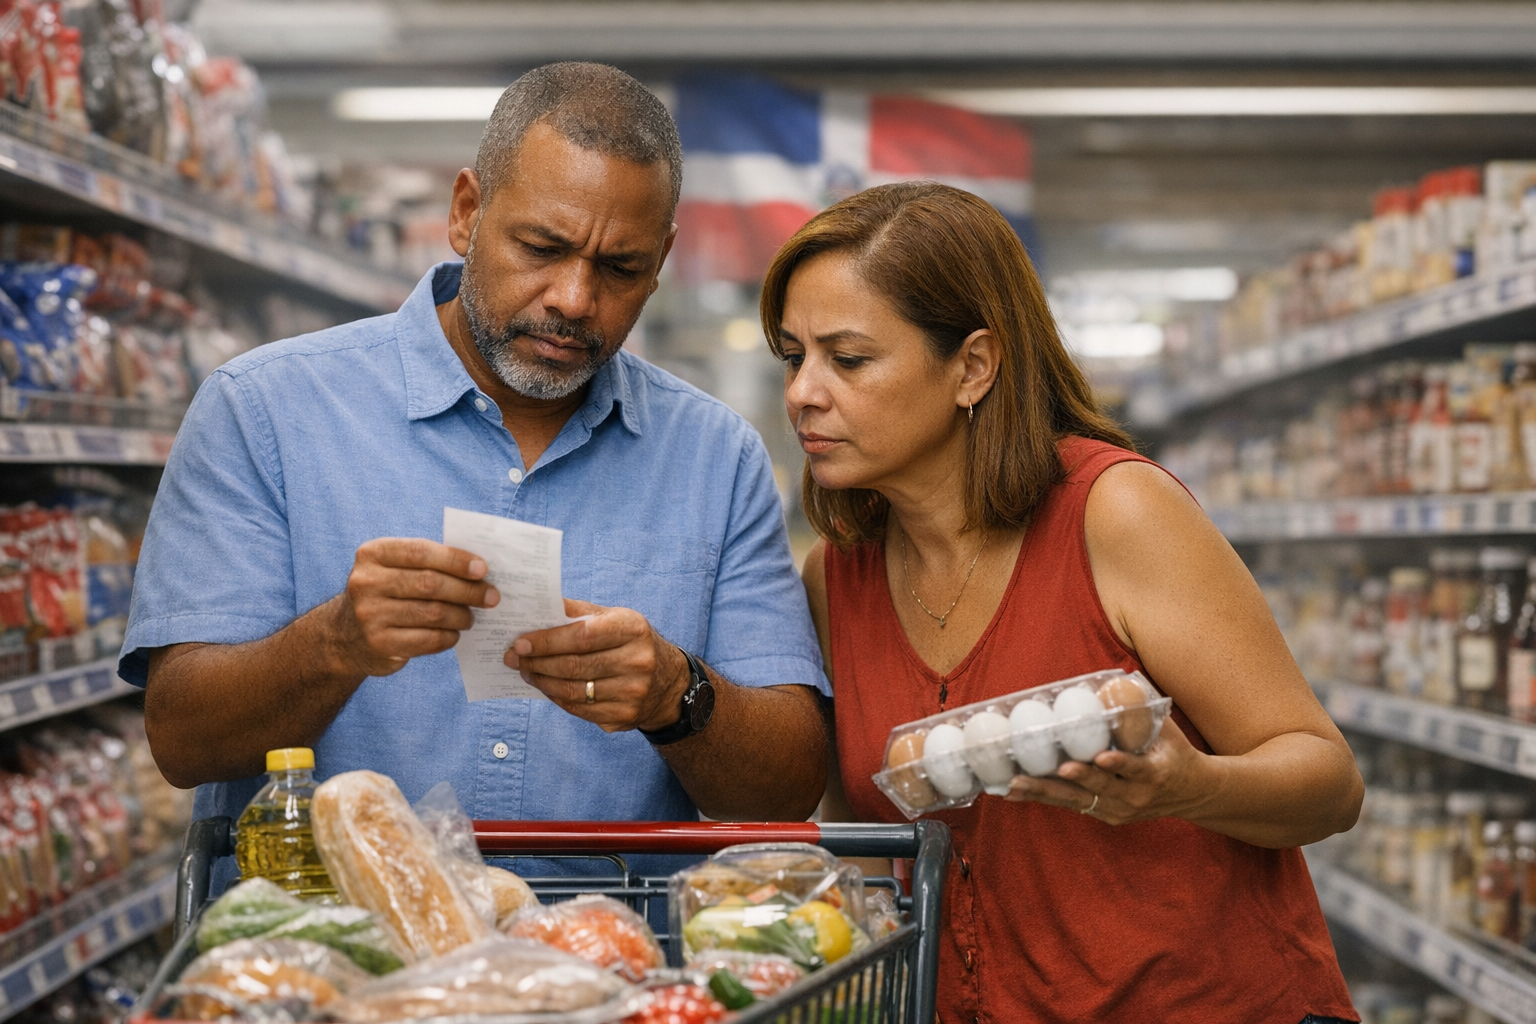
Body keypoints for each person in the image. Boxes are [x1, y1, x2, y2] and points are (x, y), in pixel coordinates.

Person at [119, 63, 829, 878]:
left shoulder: (716, 458)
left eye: (620, 268)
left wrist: (678, 695)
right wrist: (335, 642)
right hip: (333, 976)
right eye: (542, 246)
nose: (572, 296)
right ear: (466, 213)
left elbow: (788, 786)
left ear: (662, 262)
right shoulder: (264, 410)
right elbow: (182, 741)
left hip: (605, 976)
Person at [773, 182, 1363, 1023]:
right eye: (793, 357)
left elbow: (1329, 783)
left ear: (972, 366)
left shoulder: (1116, 514)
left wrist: (1186, 787)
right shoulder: (837, 580)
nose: (803, 392)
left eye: (849, 358)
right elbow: (875, 856)